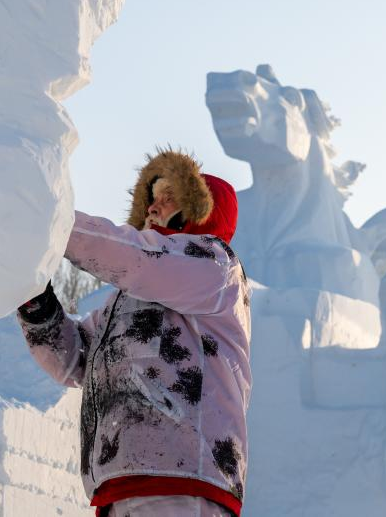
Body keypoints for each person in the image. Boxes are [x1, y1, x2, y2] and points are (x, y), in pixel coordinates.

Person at [17, 148, 252, 517]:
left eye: (168, 198)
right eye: (151, 200)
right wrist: (35, 298)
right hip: (119, 486)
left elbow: (137, 259)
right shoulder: (122, 304)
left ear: (201, 208)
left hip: (184, 483)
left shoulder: (214, 266)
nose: (152, 208)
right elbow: (73, 361)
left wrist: (49, 224)